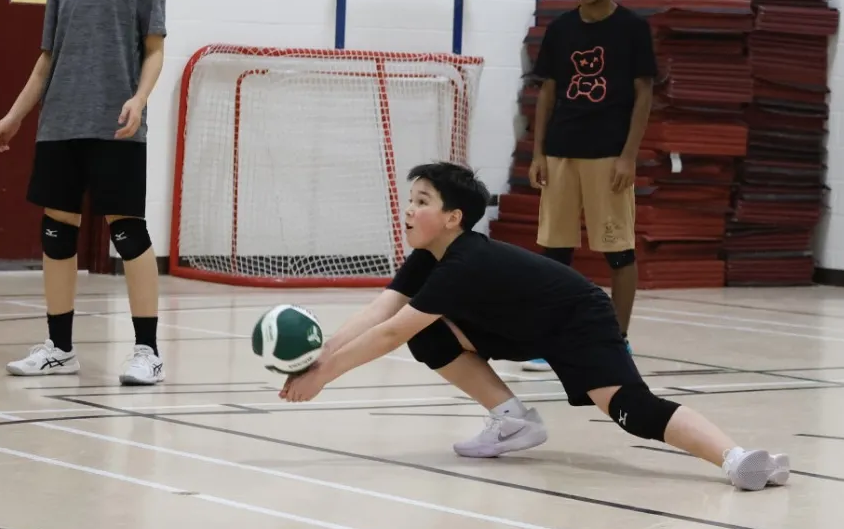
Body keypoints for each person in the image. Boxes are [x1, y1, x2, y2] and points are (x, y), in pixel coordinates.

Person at [280, 161, 790, 492]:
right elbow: (379, 314)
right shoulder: (427, 256)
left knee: (630, 410)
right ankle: (513, 420)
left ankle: (738, 458)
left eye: (421, 201)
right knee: (428, 332)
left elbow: (388, 334)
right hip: (517, 326)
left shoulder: (463, 263)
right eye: (409, 198)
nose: (408, 209)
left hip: (576, 321)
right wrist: (317, 359)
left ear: (454, 217)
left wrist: (321, 379)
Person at [0, 0, 167, 386]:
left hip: (117, 124)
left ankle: (147, 351)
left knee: (129, 234)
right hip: (61, 123)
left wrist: (138, 97)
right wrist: (16, 114)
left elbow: (154, 49)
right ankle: (60, 348)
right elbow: (48, 58)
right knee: (56, 235)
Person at [522, 0, 656, 372]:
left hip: (608, 156)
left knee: (618, 251)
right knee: (555, 253)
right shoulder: (560, 29)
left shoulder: (632, 29)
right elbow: (547, 93)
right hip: (562, 152)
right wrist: (539, 152)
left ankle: (617, 341)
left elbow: (643, 94)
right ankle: (551, 340)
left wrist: (628, 155)